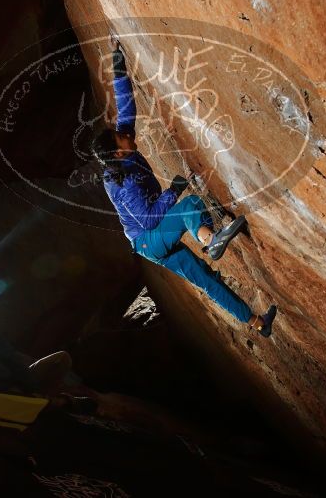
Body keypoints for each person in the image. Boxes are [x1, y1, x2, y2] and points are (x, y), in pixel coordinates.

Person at [91, 40, 277, 337]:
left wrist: (118, 69)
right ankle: (211, 240)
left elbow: (125, 110)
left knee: (205, 279)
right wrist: (174, 191)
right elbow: (150, 219)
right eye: (121, 138)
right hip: (148, 238)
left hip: (150, 244)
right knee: (190, 206)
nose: (126, 133)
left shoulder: (122, 151)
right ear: (118, 154)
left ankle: (258, 323)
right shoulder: (122, 183)